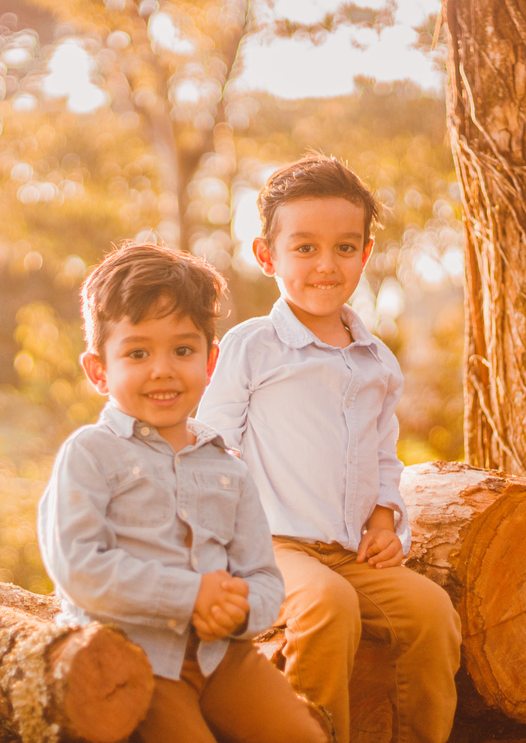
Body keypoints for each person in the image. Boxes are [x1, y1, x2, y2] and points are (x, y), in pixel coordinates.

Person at [197, 154, 462, 743]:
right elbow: (213, 441)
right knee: (327, 607)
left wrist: (383, 519)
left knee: (431, 613)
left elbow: (384, 455)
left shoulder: (376, 360)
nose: (326, 265)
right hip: (272, 547)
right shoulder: (253, 346)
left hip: (348, 551)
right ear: (267, 256)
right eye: (305, 248)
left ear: (366, 254)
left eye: (345, 248)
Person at [37, 242, 330, 743]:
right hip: (136, 661)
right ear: (98, 370)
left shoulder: (227, 469)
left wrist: (239, 610)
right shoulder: (91, 454)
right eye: (137, 352)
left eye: (182, 350)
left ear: (211, 361)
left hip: (224, 658)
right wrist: (190, 594)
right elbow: (78, 565)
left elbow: (262, 575)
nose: (163, 369)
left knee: (302, 735)